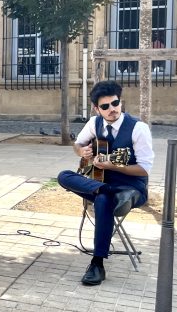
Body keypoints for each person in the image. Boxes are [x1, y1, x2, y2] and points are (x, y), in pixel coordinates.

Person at [57, 80, 154, 286]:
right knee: (64, 176)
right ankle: (105, 190)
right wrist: (82, 151)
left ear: (121, 102)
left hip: (131, 188)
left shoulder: (138, 128)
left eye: (115, 103)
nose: (112, 109)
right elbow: (78, 144)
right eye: (105, 106)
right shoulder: (94, 123)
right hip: (102, 183)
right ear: (96, 109)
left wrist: (114, 167)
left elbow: (144, 169)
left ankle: (97, 263)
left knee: (103, 200)